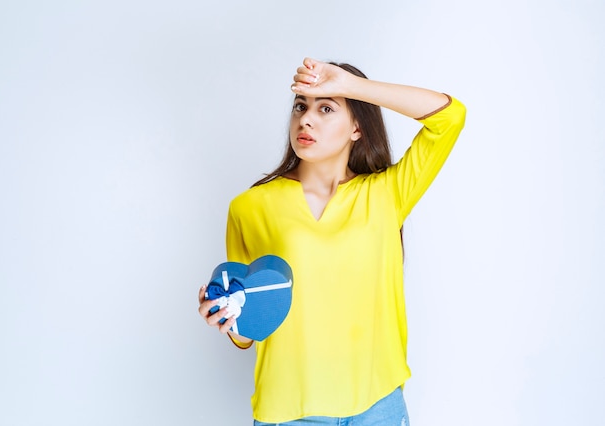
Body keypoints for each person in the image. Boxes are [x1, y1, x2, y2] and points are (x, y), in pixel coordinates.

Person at [198, 57, 466, 425]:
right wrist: (227, 316)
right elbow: (249, 335)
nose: (306, 119)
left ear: (357, 127)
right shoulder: (250, 206)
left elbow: (450, 118)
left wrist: (350, 87)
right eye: (300, 107)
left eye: (326, 108)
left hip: (378, 408)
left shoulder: (387, 194)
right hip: (291, 412)